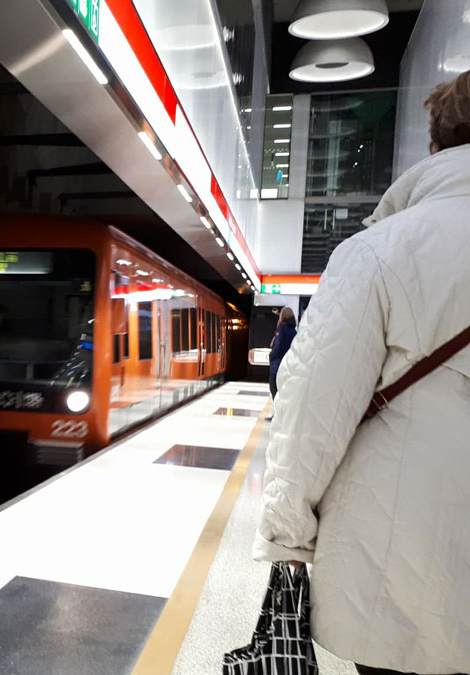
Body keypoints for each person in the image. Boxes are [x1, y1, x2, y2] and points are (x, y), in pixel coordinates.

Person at [254, 71, 470, 675]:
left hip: (405, 585)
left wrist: (286, 540)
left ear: (438, 145)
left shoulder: (381, 251)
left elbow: (312, 413)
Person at [268, 307, 296, 400]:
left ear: (282, 316)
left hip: (277, 364)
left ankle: (276, 413)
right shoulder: (294, 331)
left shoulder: (281, 329)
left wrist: (271, 355)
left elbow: (278, 345)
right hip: (288, 365)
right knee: (283, 391)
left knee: (274, 389)